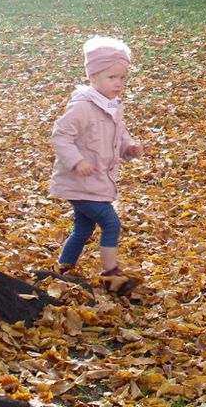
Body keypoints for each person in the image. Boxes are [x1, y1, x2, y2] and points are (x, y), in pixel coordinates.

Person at [49, 36, 143, 295]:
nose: (119, 84)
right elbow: (60, 136)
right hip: (78, 182)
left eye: (123, 78)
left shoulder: (112, 107)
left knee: (83, 227)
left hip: (98, 182)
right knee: (110, 223)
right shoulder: (82, 107)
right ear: (93, 76)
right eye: (112, 77)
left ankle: (63, 269)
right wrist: (77, 161)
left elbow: (119, 135)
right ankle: (111, 275)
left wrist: (130, 147)